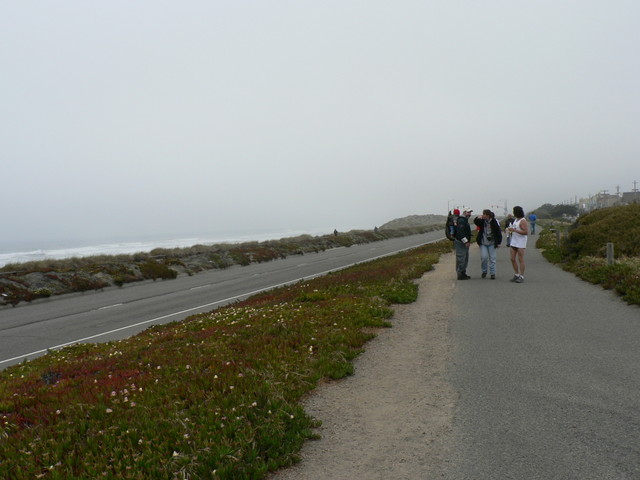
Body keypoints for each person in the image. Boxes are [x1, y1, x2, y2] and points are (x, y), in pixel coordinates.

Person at [474, 209, 502, 279]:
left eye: (485, 215)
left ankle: (492, 273)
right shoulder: (482, 221)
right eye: (483, 214)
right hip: (483, 243)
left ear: (488, 215)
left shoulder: (494, 222)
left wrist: (499, 242)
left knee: (492, 258)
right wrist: (478, 217)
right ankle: (484, 271)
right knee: (484, 257)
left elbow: (498, 232)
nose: (483, 216)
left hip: (492, 243)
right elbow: (476, 222)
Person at [508, 206, 528, 283]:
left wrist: (515, 230)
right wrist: (510, 230)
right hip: (514, 241)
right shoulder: (516, 220)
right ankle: (516, 274)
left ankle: (521, 276)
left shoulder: (523, 221)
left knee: (520, 259)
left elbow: (526, 232)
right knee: (512, 258)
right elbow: (514, 229)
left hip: (521, 241)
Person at [454, 209, 472, 280]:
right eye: (468, 212)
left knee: (465, 258)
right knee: (461, 258)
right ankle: (460, 274)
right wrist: (466, 241)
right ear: (464, 212)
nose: (469, 214)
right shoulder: (461, 220)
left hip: (463, 242)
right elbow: (460, 232)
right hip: (460, 242)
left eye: (470, 212)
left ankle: (463, 273)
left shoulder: (464, 220)